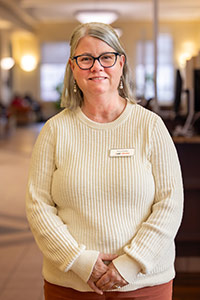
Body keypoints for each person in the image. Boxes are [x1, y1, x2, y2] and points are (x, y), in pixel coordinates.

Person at [26, 22, 183, 300]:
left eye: (106, 57)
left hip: (144, 284)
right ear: (73, 68)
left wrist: (129, 265)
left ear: (120, 63)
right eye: (85, 59)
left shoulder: (150, 126)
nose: (96, 67)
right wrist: (81, 263)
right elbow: (38, 206)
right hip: (71, 284)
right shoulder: (54, 130)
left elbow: (170, 203)